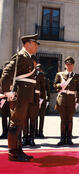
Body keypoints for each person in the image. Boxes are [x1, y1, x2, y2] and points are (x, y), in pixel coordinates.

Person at [0, 33, 40, 161]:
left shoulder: (27, 57)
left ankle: (18, 150)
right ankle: (13, 153)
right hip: (20, 95)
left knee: (20, 124)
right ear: (27, 44)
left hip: (25, 95)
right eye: (34, 44)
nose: (36, 47)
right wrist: (6, 91)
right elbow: (6, 73)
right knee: (16, 123)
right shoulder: (20, 56)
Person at [54, 56, 79, 146]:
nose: (69, 66)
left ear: (73, 65)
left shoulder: (76, 76)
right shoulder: (59, 74)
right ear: (65, 65)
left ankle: (69, 138)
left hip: (71, 100)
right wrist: (59, 85)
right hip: (62, 99)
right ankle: (62, 138)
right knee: (63, 119)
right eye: (68, 64)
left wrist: (78, 101)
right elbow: (54, 84)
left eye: (71, 64)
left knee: (69, 120)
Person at [22, 56, 46, 146]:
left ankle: (31, 138)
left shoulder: (40, 75)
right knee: (24, 119)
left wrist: (41, 100)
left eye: (33, 62)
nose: (31, 64)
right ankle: (25, 138)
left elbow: (43, 89)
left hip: (35, 99)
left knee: (33, 119)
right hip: (25, 99)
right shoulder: (24, 73)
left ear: (36, 63)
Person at [35, 64, 50, 138]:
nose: (38, 70)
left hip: (43, 99)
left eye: (39, 69)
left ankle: (40, 131)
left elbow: (48, 90)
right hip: (35, 98)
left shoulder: (46, 79)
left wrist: (48, 100)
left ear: (42, 70)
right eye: (37, 69)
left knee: (41, 116)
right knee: (34, 116)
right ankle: (35, 131)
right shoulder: (34, 78)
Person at [0, 66, 11, 139]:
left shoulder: (12, 77)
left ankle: (9, 132)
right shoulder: (1, 78)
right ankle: (4, 132)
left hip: (10, 99)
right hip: (3, 99)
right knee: (4, 116)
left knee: (11, 116)